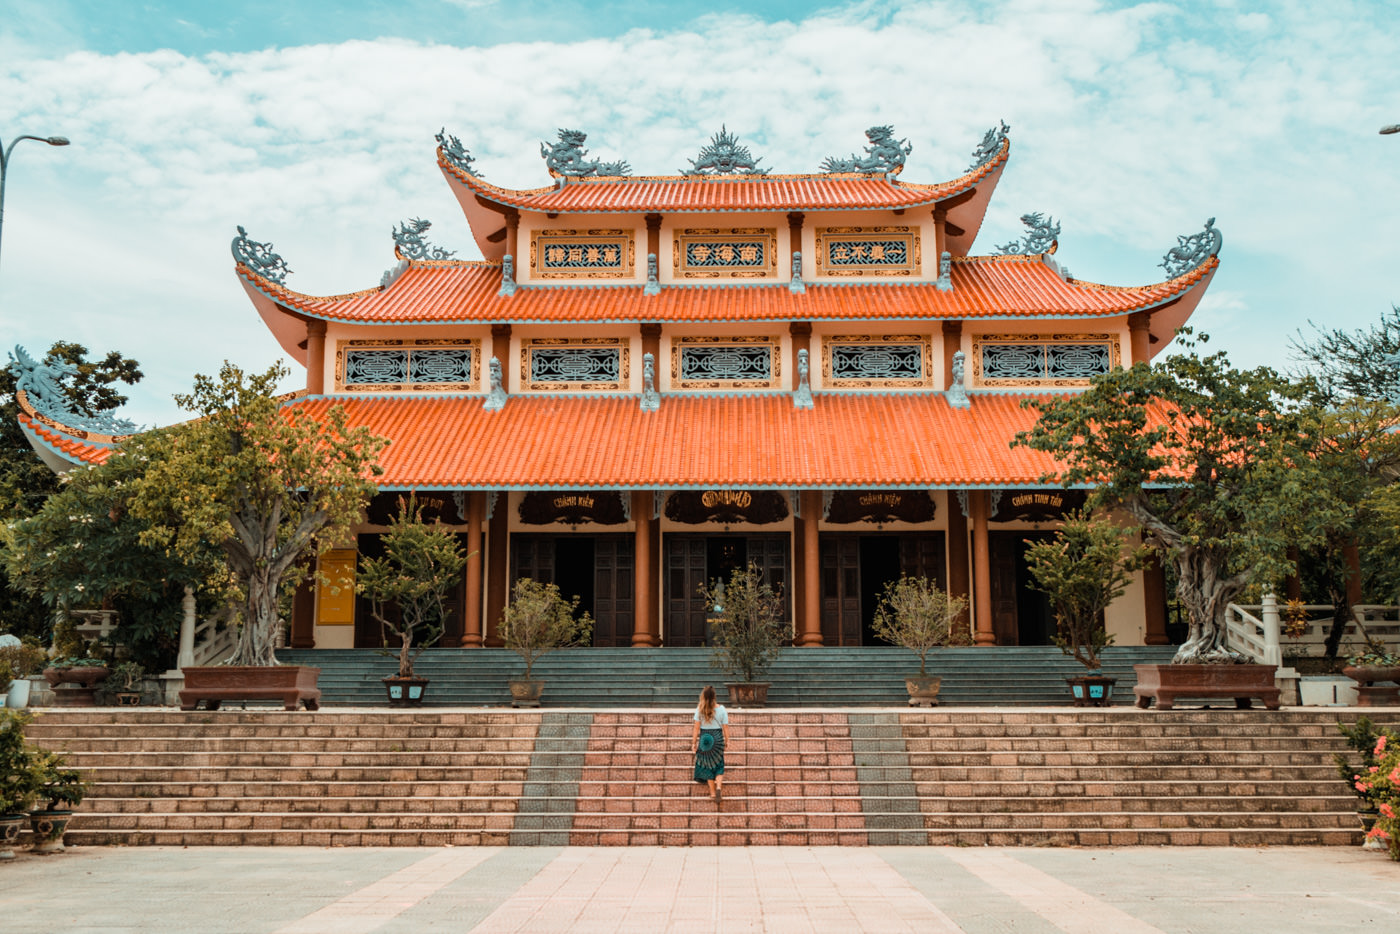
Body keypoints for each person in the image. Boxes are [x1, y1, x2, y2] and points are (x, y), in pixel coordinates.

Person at [691, 684, 730, 803]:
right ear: (714, 696)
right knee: (719, 764)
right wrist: (727, 740)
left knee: (707, 765)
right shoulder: (722, 709)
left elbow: (696, 728)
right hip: (717, 738)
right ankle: (719, 787)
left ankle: (713, 793)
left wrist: (693, 743)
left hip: (705, 739)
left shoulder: (700, 709)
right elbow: (725, 727)